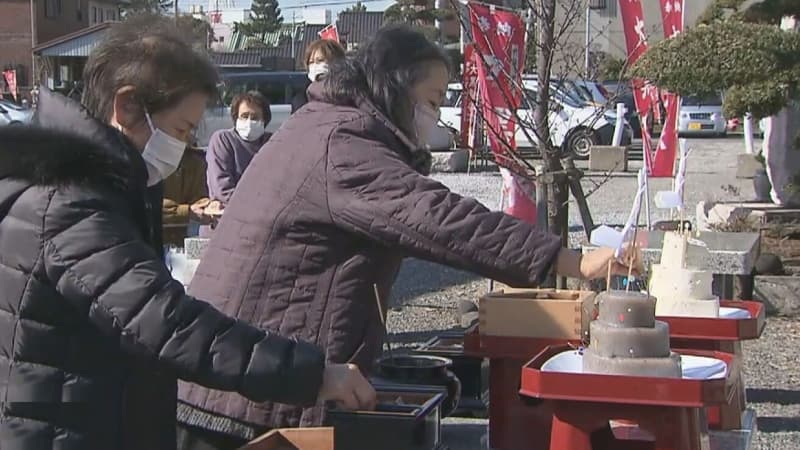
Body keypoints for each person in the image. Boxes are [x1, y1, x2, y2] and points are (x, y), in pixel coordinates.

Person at [179, 25, 639, 446]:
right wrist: (571, 260)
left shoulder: (331, 124)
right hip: (240, 398)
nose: (435, 116)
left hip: (246, 376)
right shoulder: (342, 143)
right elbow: (441, 219)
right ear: (394, 86)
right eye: (433, 100)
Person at [0, 18, 374, 450]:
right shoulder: (69, 202)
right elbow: (164, 322)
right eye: (180, 129)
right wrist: (312, 373)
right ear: (126, 108)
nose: (184, 145)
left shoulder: (97, 185)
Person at [206, 90, 272, 207]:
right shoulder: (223, 140)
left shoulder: (272, 143)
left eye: (255, 117)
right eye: (244, 116)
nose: (249, 122)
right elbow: (222, 189)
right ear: (236, 118)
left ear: (264, 120)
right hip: (229, 215)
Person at [162, 145, 214, 247]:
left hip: (181, 243)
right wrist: (186, 211)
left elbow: (200, 197)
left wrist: (207, 205)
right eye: (179, 131)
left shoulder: (194, 160)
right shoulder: (142, 158)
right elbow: (143, 206)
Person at [291, 39, 346, 113]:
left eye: (320, 60)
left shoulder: (350, 93)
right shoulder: (301, 100)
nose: (315, 66)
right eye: (311, 62)